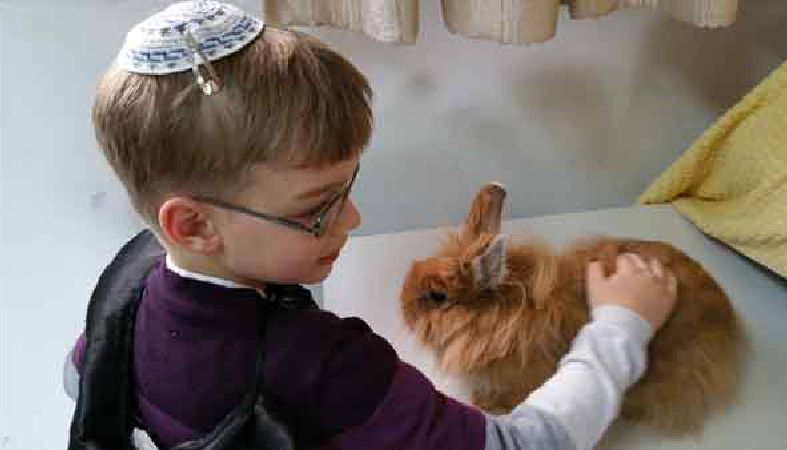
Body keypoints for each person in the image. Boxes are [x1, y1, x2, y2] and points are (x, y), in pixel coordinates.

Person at [64, 2, 678, 449]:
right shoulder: (330, 366)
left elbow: (77, 379)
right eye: (316, 208)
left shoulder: (129, 280)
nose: (353, 219)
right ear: (193, 225)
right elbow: (521, 444)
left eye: (346, 190)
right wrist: (620, 326)